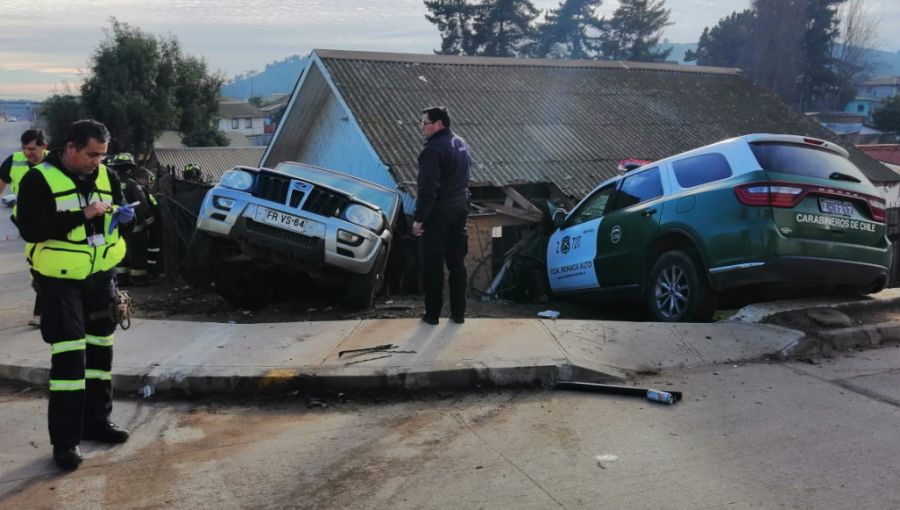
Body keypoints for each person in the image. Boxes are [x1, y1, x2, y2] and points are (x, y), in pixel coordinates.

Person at [16, 119, 136, 470]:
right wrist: (81, 215)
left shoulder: (108, 177)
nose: (97, 162)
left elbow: (121, 209)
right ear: (70, 148)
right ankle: (65, 442)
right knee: (70, 358)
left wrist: (124, 216)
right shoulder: (38, 179)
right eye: (91, 154)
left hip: (100, 278)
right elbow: (31, 229)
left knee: (100, 353)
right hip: (58, 282)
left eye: (101, 155)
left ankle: (97, 422)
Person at [412, 106, 471, 325]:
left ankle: (432, 315)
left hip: (438, 215)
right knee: (457, 263)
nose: (422, 128)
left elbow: (428, 189)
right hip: (460, 211)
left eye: (425, 123)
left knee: (433, 265)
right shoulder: (461, 143)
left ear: (439, 124)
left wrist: (419, 219)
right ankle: (458, 314)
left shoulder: (433, 149)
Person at [0, 128, 49, 327]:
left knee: (44, 261)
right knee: (37, 262)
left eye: (31, 149)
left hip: (49, 220)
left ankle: (41, 311)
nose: (27, 153)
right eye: (24, 148)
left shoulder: (55, 161)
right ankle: (43, 306)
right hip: (24, 221)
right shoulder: (14, 160)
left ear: (43, 146)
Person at [105, 154, 151, 286]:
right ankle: (139, 279)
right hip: (135, 227)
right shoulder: (132, 184)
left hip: (115, 227)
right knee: (138, 253)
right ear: (130, 169)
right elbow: (142, 206)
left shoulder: (108, 184)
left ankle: (121, 278)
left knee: (121, 253)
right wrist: (151, 223)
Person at [133, 167, 162, 278]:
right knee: (140, 252)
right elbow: (147, 207)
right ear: (142, 179)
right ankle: (148, 273)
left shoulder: (133, 187)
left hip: (133, 226)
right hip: (142, 226)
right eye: (147, 179)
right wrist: (151, 222)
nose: (149, 182)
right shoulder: (139, 189)